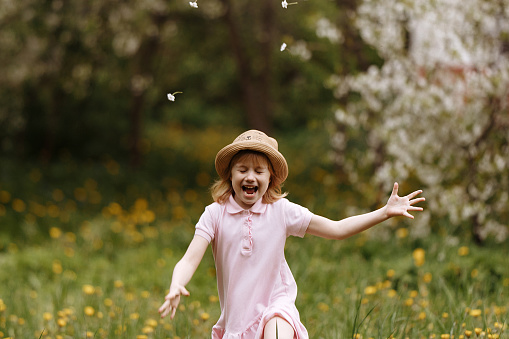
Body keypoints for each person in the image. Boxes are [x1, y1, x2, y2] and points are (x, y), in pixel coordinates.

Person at [158, 130, 425, 339]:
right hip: (238, 319)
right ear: (230, 176)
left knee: (278, 331)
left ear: (270, 178)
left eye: (258, 171)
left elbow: (337, 229)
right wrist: (176, 283)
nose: (250, 176)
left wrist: (385, 212)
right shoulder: (214, 214)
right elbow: (190, 259)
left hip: (277, 305)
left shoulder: (281, 211)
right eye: (242, 170)